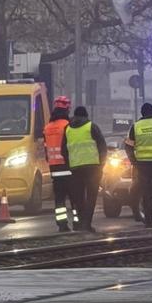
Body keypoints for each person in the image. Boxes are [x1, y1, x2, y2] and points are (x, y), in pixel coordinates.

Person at [61, 106, 107, 232]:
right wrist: (101, 165)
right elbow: (102, 147)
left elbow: (63, 150)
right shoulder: (92, 127)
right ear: (86, 115)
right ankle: (87, 224)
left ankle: (81, 223)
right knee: (91, 197)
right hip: (92, 167)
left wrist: (69, 165)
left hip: (75, 168)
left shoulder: (67, 129)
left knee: (78, 198)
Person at [43, 96, 74, 232]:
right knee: (75, 198)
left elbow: (46, 150)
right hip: (69, 167)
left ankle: (62, 225)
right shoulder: (68, 126)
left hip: (54, 168)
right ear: (67, 108)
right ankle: (78, 223)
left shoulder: (47, 128)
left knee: (59, 199)